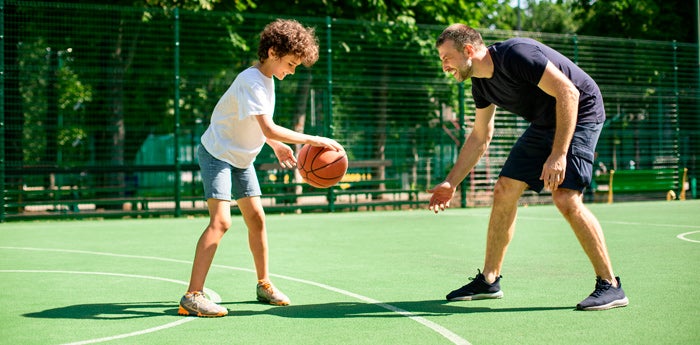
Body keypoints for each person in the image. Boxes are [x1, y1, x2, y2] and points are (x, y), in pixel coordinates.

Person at [428, 24, 628, 311]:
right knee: (505, 189)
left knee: (565, 196)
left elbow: (568, 93)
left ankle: (611, 285)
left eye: (446, 58)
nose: (444, 66)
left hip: (581, 110)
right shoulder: (481, 85)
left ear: (468, 50)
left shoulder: (516, 55)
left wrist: (558, 155)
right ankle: (489, 280)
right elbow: (480, 136)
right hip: (547, 121)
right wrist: (451, 183)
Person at [178, 19, 344, 317]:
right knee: (222, 222)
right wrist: (313, 138)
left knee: (256, 219)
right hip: (217, 154)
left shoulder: (266, 80)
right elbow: (268, 125)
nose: (292, 71)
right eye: (291, 64)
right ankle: (192, 295)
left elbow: (255, 125)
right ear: (271, 52)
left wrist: (275, 144)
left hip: (242, 158)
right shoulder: (251, 81)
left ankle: (263, 284)